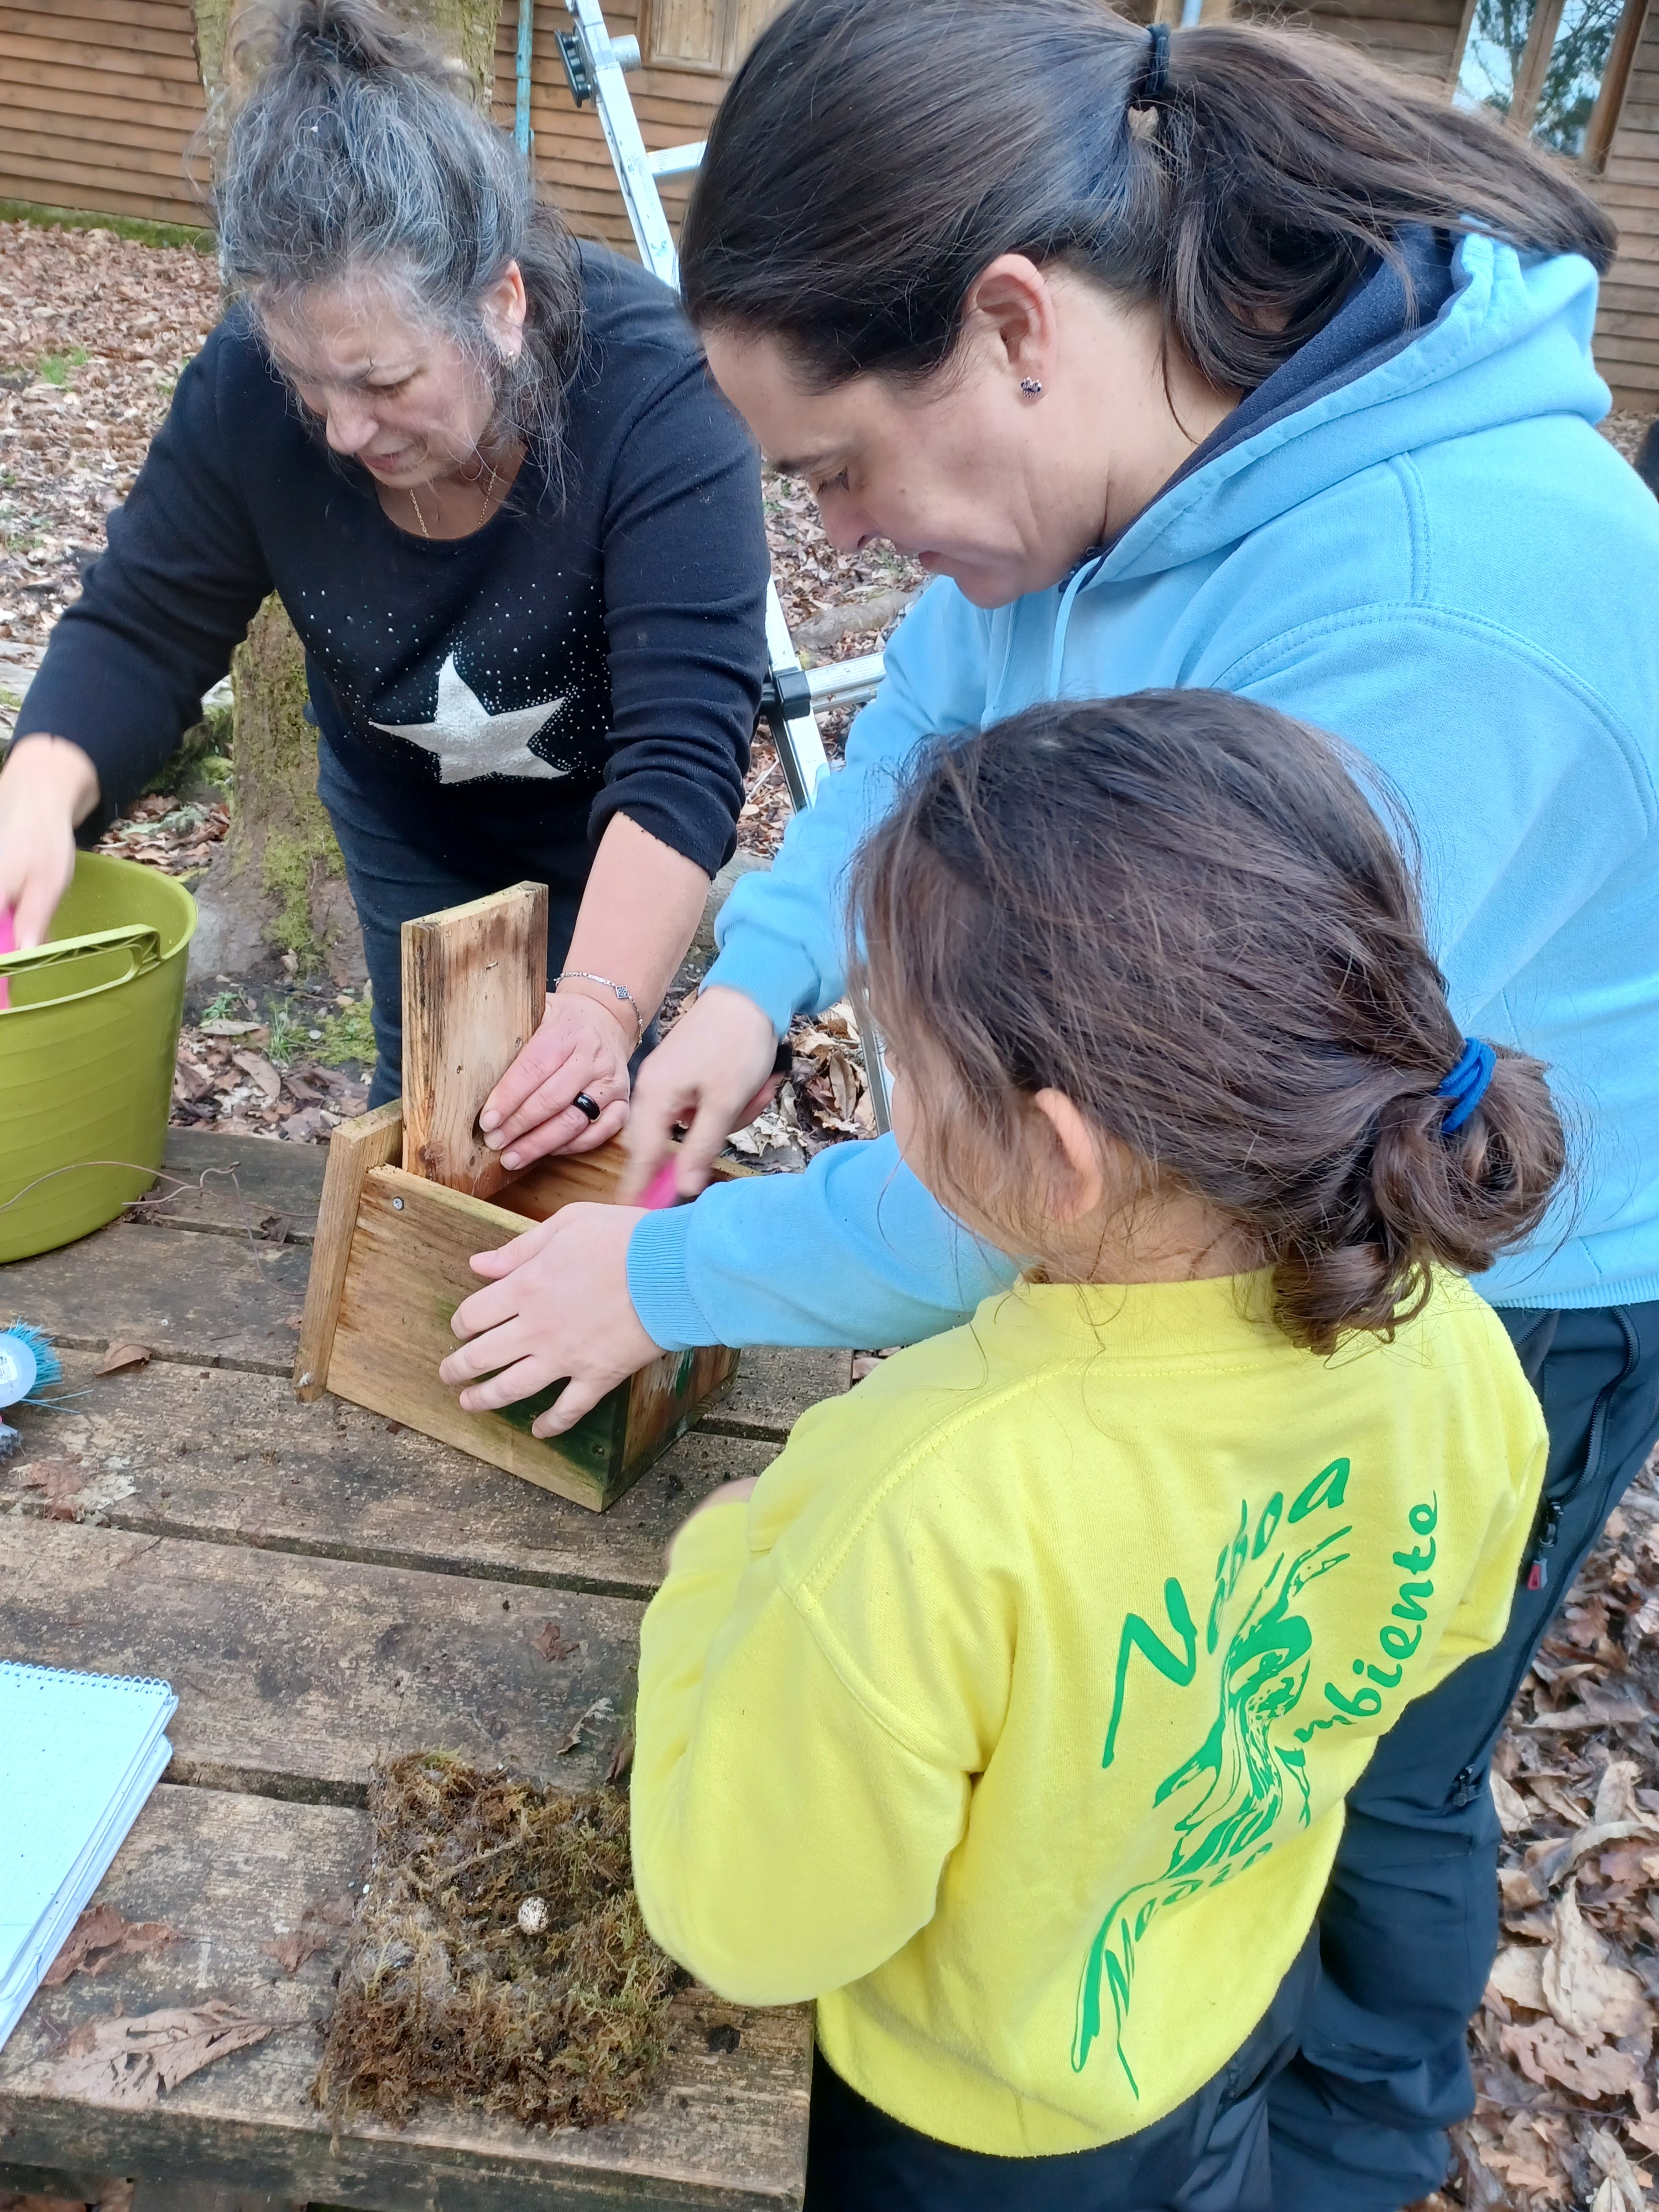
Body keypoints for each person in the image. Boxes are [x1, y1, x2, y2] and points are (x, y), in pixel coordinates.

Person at [437, 3, 1659, 2202]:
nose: (856, 534)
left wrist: (671, 1271)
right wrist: (761, 974)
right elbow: (948, 693)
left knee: (1351, 1746)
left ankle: (1342, 2132)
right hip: (1243, 1206)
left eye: (836, 471)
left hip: (1502, 1254)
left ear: (1013, 324)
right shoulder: (1115, 460)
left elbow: (1074, 1173)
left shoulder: (1414, 618)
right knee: (1206, 1731)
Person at [631, 691, 1561, 2212]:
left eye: (901, 1070)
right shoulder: (1450, 1342)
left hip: (974, 2124)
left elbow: (750, 1923)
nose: (891, 1105)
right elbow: (1434, 1632)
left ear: (1059, 1157)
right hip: (1231, 1998)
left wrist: (718, 1572)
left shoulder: (922, 1501)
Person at [0, 0, 769, 1155]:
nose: (344, 430)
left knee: (587, 1119)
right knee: (430, 1113)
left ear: (501, 305)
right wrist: (35, 797)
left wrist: (602, 1008)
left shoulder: (656, 399)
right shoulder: (248, 395)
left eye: (385, 382)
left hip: (616, 830)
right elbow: (143, 623)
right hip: (403, 808)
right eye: (311, 383)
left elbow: (684, 753)